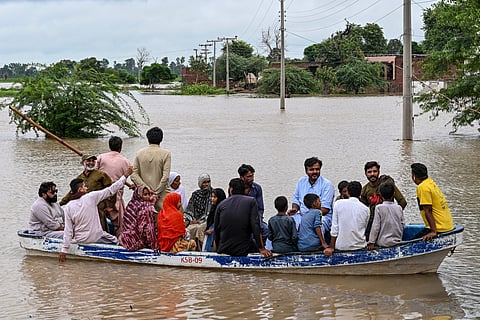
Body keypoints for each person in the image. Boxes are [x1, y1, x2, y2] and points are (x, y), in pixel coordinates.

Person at [59, 166, 133, 262]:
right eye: (84, 186)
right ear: (80, 189)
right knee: (116, 240)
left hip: (80, 239)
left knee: (110, 237)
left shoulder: (68, 207)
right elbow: (111, 190)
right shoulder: (91, 197)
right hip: (95, 236)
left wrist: (64, 249)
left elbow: (68, 231)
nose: (86, 188)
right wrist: (125, 176)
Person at [214, 178, 272, 257]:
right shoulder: (251, 201)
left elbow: (217, 229)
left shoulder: (221, 204)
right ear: (244, 189)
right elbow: (255, 226)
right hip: (244, 249)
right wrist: (261, 248)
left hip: (224, 248)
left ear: (231, 189)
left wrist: (217, 248)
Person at [60, 154, 115, 233]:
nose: (91, 163)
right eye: (88, 161)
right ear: (82, 163)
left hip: (98, 206)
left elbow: (112, 189)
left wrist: (111, 205)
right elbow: (71, 193)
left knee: (101, 226)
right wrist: (60, 204)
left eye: (93, 161)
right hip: (84, 207)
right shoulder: (79, 178)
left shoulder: (101, 175)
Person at [289, 157, 335, 242]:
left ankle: (318, 245)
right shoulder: (301, 181)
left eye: (317, 169)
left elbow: (325, 209)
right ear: (306, 171)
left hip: (321, 216)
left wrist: (308, 218)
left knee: (319, 224)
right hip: (302, 215)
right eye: (311, 169)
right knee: (289, 221)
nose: (314, 172)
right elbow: (296, 199)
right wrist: (295, 209)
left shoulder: (327, 185)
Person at [96, 136, 133, 236]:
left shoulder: (101, 157)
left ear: (109, 146)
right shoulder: (125, 161)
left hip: (101, 194)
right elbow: (128, 176)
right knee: (120, 223)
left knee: (100, 217)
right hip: (116, 194)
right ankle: (119, 239)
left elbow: (94, 173)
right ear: (120, 147)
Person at [360, 161, 407, 240]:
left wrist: (393, 215)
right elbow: (363, 209)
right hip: (373, 223)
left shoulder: (387, 185)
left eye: (375, 171)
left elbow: (402, 202)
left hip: (388, 223)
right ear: (365, 174)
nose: (372, 174)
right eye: (369, 172)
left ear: (378, 172)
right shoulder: (365, 189)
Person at [131, 126, 171, 211]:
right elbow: (166, 177)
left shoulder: (139, 153)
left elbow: (134, 174)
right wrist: (156, 193)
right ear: (161, 139)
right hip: (162, 195)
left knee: (144, 221)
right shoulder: (166, 154)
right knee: (165, 220)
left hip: (144, 195)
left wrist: (146, 189)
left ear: (148, 138)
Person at [324, 181, 369, 256]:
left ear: (348, 192)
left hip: (341, 247)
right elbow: (364, 228)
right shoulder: (366, 209)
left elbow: (334, 229)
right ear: (360, 193)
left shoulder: (338, 204)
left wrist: (331, 247)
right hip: (360, 246)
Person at [411, 163, 454, 241]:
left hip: (439, 228)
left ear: (414, 176)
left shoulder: (422, 187)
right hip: (448, 225)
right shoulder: (430, 182)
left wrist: (433, 231)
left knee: (409, 243)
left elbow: (428, 210)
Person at [119, 186, 158, 251]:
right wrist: (154, 246)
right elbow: (147, 229)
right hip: (136, 242)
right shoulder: (146, 208)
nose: (148, 196)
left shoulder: (131, 204)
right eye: (145, 194)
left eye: (149, 194)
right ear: (139, 195)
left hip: (124, 239)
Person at [367, 182, 404, 250]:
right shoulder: (399, 208)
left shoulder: (379, 208)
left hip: (383, 243)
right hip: (397, 241)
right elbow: (402, 225)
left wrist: (371, 242)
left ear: (380, 195)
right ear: (394, 194)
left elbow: (376, 226)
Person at [238, 164, 268, 242]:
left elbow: (260, 208)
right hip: (240, 219)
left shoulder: (257, 188)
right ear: (242, 177)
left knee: (266, 230)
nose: (252, 178)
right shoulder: (236, 188)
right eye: (248, 176)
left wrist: (258, 220)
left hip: (255, 218)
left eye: (252, 176)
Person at [184, 173, 212, 248]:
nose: (206, 184)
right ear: (200, 183)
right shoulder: (195, 194)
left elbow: (209, 212)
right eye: (204, 182)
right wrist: (191, 220)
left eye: (208, 182)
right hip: (195, 220)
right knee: (189, 229)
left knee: (200, 229)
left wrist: (200, 221)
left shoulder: (212, 194)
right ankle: (191, 247)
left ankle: (201, 249)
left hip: (207, 220)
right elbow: (189, 210)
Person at [203, 188, 227, 252]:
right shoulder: (213, 208)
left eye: (215, 197)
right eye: (212, 196)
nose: (212, 199)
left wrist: (213, 230)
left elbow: (223, 223)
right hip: (211, 233)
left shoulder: (223, 209)